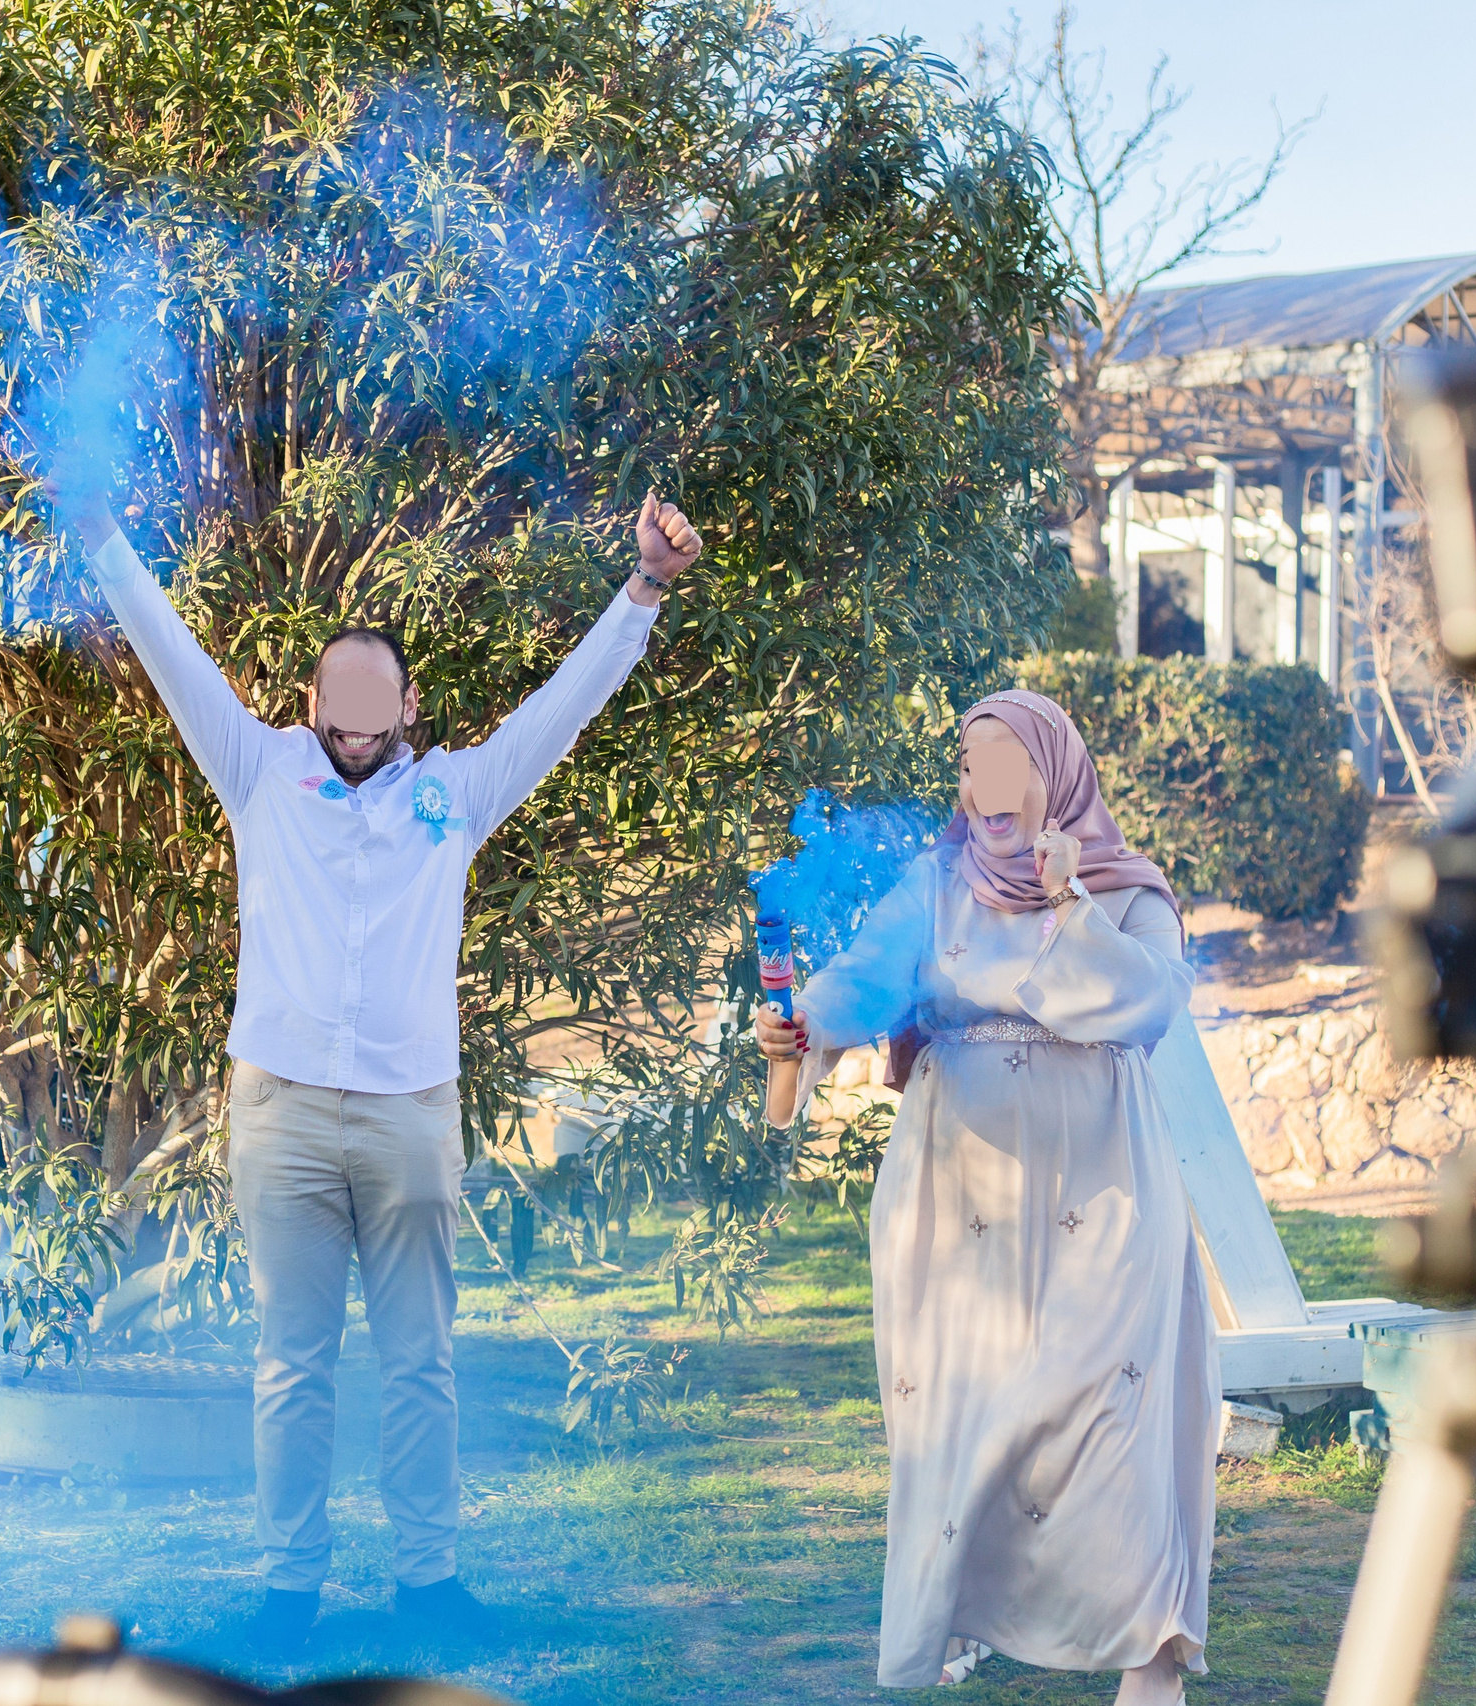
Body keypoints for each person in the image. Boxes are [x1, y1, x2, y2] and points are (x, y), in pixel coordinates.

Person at [59, 487, 702, 1655]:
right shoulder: (256, 769)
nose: (356, 724)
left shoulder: (454, 794)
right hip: (283, 1113)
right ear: (311, 703)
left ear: (410, 703)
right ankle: (288, 1588)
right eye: (335, 701)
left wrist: (643, 589)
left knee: (421, 1357)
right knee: (290, 1362)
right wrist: (101, 538)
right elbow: (169, 652)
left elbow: (565, 709)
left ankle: (428, 1581)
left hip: (410, 1116)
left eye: (378, 702)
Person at [753, 689, 1217, 1703]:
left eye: (1003, 763)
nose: (980, 787)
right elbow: (862, 979)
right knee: (966, 1415)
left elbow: (1142, 1002)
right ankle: (965, 1609)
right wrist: (804, 1025)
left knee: (1104, 1407)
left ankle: (1150, 1648)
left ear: (1057, 770)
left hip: (1099, 1181)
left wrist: (1066, 903)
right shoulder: (935, 882)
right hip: (954, 1183)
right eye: (967, 765)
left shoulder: (1126, 889)